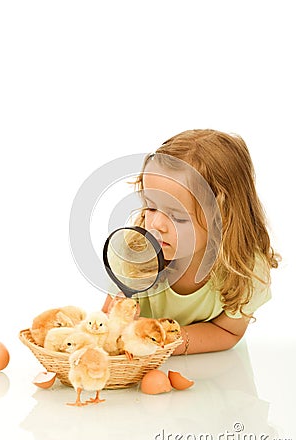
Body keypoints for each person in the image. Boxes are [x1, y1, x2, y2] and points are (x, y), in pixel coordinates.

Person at [102, 129, 279, 355]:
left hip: (211, 379)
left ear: (222, 219)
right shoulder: (135, 249)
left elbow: (228, 332)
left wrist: (166, 344)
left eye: (177, 216)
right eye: (151, 206)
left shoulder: (246, 271)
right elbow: (109, 321)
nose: (156, 224)